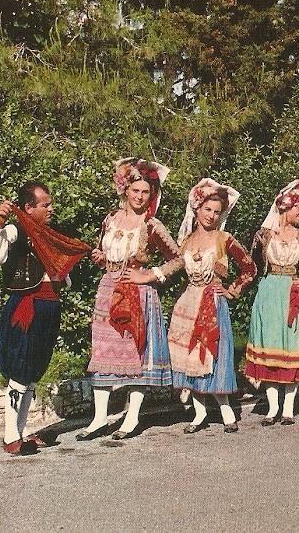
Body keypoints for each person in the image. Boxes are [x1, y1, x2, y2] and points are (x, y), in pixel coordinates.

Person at [0, 182, 89, 454]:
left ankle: (22, 431)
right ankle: (10, 437)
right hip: (27, 307)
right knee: (20, 368)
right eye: (45, 205)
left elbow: (61, 275)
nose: (51, 208)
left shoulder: (47, 236)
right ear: (28, 208)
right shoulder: (15, 231)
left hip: (49, 306)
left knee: (32, 372)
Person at [77, 158, 182, 441]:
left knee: (136, 355)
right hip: (108, 291)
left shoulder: (152, 224)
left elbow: (178, 259)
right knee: (102, 354)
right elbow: (104, 253)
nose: (140, 196)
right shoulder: (110, 219)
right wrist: (100, 260)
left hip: (137, 293)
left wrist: (150, 275)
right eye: (135, 191)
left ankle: (132, 418)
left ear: (151, 195)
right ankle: (99, 419)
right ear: (125, 190)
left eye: (145, 192)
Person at [169, 179, 256, 433]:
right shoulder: (185, 241)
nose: (212, 216)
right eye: (208, 210)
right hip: (188, 303)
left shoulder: (224, 239)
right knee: (190, 356)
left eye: (217, 212)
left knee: (212, 354)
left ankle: (227, 410)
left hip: (212, 302)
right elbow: (175, 269)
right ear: (197, 209)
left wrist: (231, 291)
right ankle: (199, 412)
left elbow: (249, 268)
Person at [245, 180, 299, 425]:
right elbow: (251, 266)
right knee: (270, 343)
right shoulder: (263, 235)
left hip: (293, 293)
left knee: (292, 344)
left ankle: (288, 408)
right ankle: (272, 408)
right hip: (269, 293)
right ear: (285, 208)